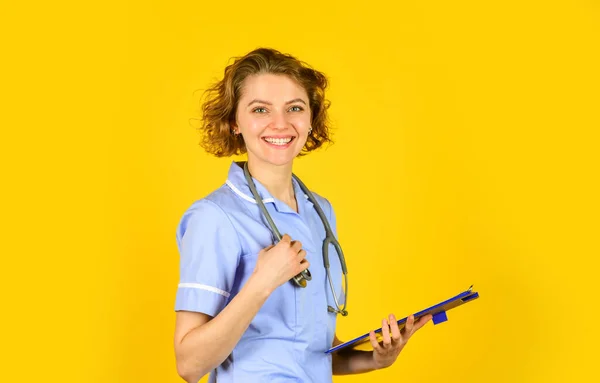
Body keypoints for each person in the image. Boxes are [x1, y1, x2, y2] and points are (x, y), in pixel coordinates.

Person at [173, 47, 432, 383]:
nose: (280, 123)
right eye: (260, 109)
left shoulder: (319, 211)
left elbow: (309, 350)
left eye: (294, 108)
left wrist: (375, 360)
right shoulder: (214, 217)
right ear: (235, 122)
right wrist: (262, 282)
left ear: (311, 118)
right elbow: (189, 365)